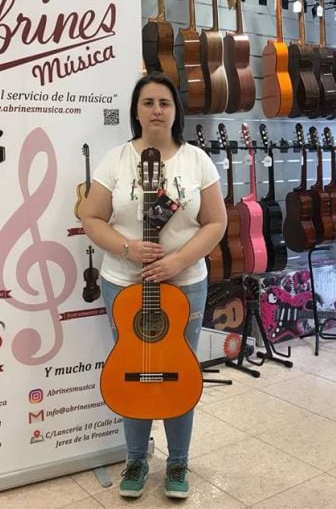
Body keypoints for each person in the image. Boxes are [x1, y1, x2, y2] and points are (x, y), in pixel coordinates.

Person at [80, 72, 226, 499]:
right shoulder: (116, 159)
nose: (157, 110)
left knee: (179, 370)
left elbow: (216, 222)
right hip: (124, 286)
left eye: (164, 102)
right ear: (136, 111)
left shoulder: (196, 160)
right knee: (133, 370)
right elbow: (91, 218)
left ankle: (178, 460)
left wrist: (179, 260)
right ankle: (136, 459)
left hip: (185, 286)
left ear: (176, 109)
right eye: (148, 102)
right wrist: (127, 249)